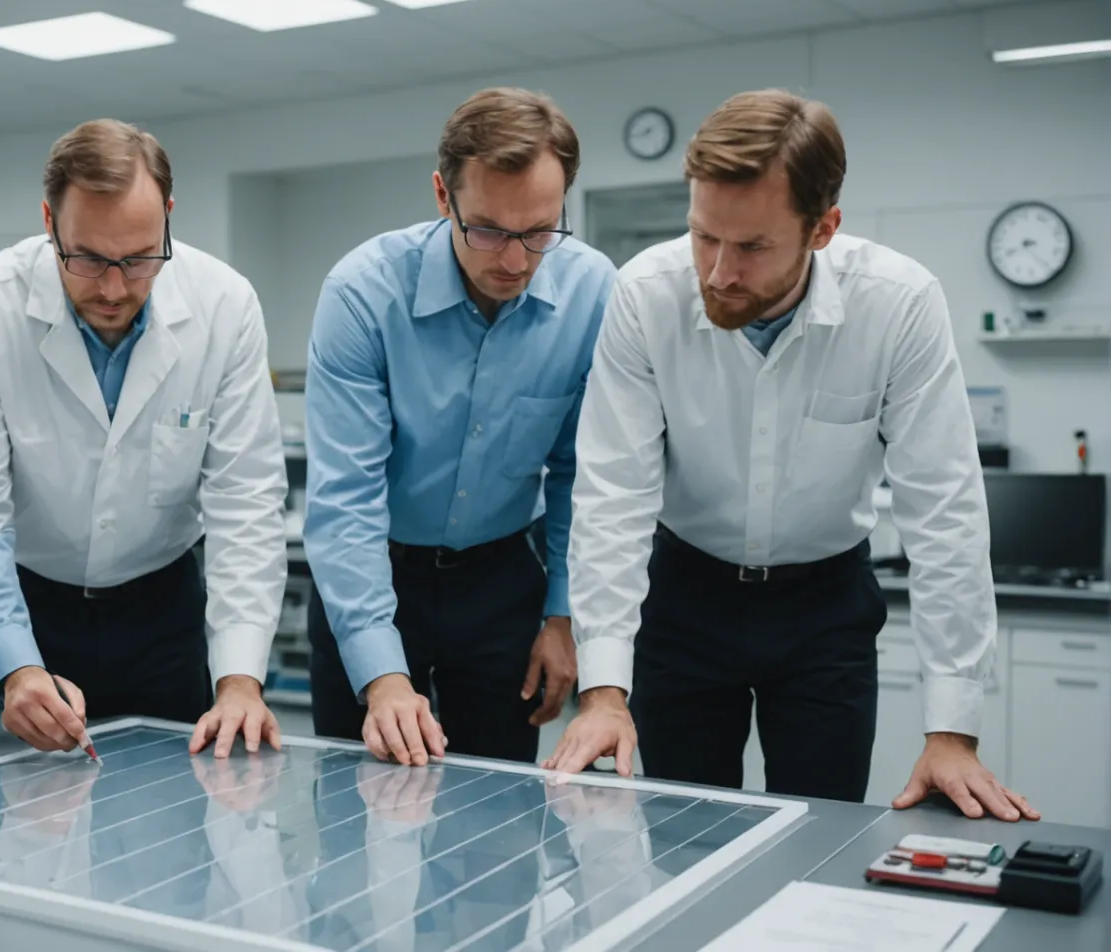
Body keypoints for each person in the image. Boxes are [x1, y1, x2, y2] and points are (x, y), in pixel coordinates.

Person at [547, 90, 1037, 822]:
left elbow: (945, 512)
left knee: (820, 837)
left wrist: (952, 731)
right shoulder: (646, 295)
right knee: (684, 838)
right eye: (703, 236)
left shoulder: (898, 305)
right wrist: (604, 693)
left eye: (750, 247)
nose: (716, 272)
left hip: (825, 611)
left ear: (823, 228)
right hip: (685, 598)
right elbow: (614, 497)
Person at [0, 119, 289, 759]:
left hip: (163, 614)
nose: (115, 288)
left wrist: (239, 681)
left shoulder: (225, 306)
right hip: (24, 608)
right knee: (15, 836)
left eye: (141, 257)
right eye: (88, 259)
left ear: (169, 217)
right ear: (48, 221)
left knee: (172, 831)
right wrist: (15, 667)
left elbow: (246, 504)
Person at [302, 88, 616, 767]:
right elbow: (346, 499)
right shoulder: (362, 293)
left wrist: (564, 619)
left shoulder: (593, 292)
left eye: (539, 233)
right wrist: (385, 677)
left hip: (502, 581)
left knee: (497, 824)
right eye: (489, 230)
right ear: (443, 195)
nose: (514, 260)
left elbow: (579, 477)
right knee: (360, 815)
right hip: (373, 573)